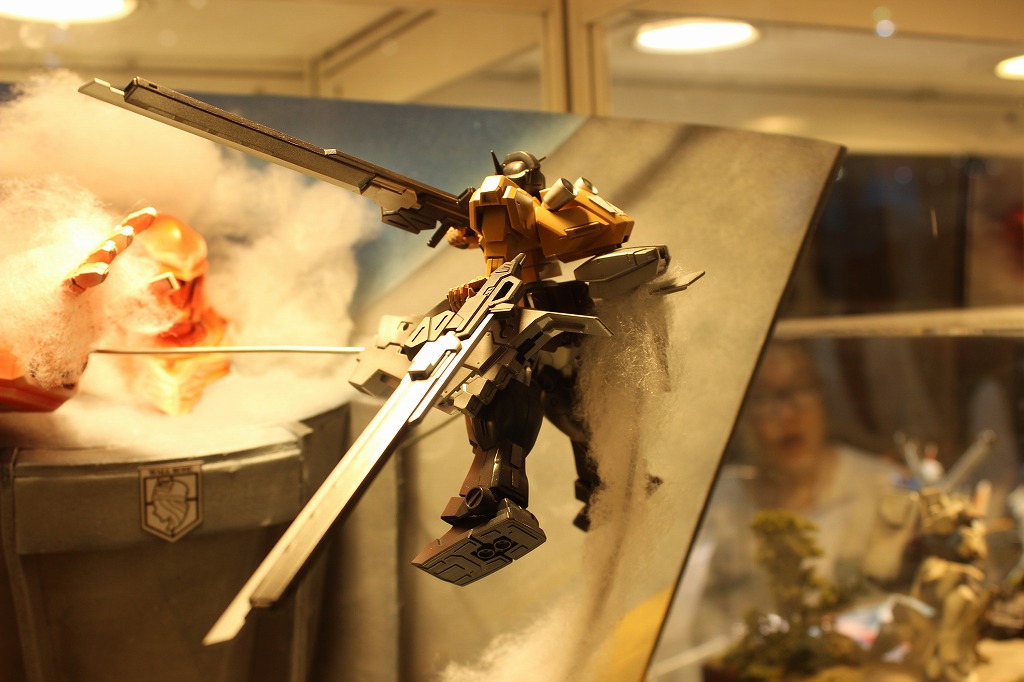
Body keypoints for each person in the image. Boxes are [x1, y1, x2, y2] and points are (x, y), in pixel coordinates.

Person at [654, 341, 899, 679]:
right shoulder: (713, 507)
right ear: (738, 413)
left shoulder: (881, 488)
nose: (787, 414)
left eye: (798, 389)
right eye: (763, 398)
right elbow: (685, 634)